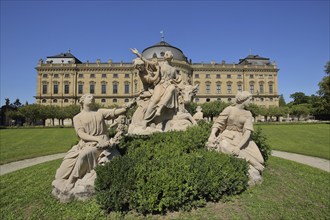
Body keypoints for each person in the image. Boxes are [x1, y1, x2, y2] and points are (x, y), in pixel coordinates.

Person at [52, 94, 133, 200]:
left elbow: (114, 112)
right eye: (89, 96)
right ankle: (65, 178)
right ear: (82, 101)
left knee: (84, 155)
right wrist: (96, 139)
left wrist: (126, 107)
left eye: (93, 97)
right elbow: (81, 134)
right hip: (86, 144)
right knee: (60, 174)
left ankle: (71, 181)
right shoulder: (77, 117)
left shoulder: (99, 112)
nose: (92, 97)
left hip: (101, 144)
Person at [207, 91, 264, 184]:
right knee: (224, 146)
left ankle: (254, 161)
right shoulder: (229, 109)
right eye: (250, 100)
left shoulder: (248, 113)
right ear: (243, 99)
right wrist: (212, 135)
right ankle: (252, 162)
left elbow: (247, 132)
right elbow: (218, 123)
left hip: (242, 138)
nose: (251, 102)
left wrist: (239, 147)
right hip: (227, 135)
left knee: (260, 159)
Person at [130, 48, 180, 123]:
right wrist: (138, 54)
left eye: (169, 54)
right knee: (155, 100)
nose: (167, 55)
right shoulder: (160, 65)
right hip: (160, 85)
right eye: (166, 54)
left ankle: (159, 109)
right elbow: (147, 62)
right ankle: (146, 120)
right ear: (164, 57)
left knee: (172, 88)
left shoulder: (173, 69)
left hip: (169, 85)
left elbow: (178, 79)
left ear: (171, 56)